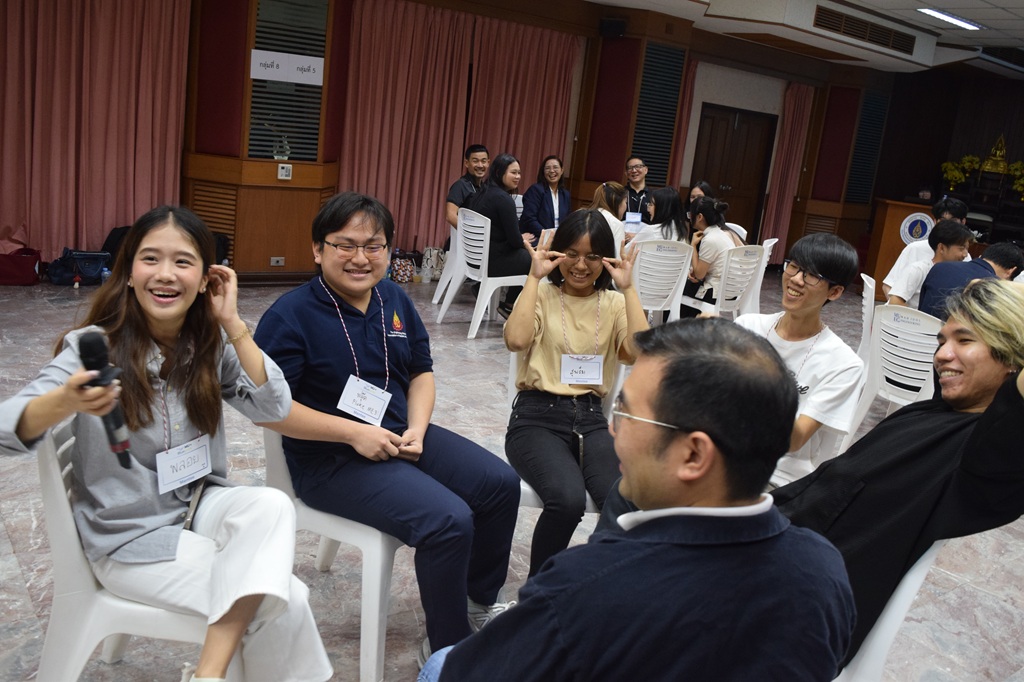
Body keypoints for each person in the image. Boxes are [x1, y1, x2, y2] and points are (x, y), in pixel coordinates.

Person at [419, 319, 855, 682]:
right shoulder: (824, 567)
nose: (612, 430)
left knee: (441, 663)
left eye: (625, 414)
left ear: (694, 454)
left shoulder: (585, 587)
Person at [0, 206, 332, 682]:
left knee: (272, 506)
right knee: (286, 599)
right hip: (131, 538)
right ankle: (210, 676)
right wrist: (63, 401)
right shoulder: (92, 347)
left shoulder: (208, 344)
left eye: (183, 262)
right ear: (128, 273)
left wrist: (233, 323)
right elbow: (5, 428)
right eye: (150, 259)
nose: (165, 274)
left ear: (205, 279)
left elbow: (274, 407)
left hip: (198, 506)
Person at [252, 192, 521, 665]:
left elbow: (421, 370)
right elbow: (269, 411)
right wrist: (352, 433)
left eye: (373, 246)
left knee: (499, 484)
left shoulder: (392, 298)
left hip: (399, 434)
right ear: (318, 249)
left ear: (388, 250)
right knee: (448, 519)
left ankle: (477, 600)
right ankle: (448, 648)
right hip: (330, 461)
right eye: (345, 245)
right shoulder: (289, 316)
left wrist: (418, 426)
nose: (361, 258)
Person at [768, 278, 1024, 665]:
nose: (942, 355)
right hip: (771, 551)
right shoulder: (928, 414)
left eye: (965, 340)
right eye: (942, 341)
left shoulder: (984, 457)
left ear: (1012, 357)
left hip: (792, 610)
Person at [504, 209, 648, 576]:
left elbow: (638, 352)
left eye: (592, 256)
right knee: (567, 501)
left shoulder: (614, 303)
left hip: (591, 418)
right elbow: (516, 340)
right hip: (536, 417)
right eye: (572, 254)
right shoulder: (543, 294)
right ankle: (540, 593)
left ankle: (592, 586)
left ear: (606, 259)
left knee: (625, 498)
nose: (581, 265)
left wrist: (629, 289)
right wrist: (533, 277)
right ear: (559, 253)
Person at [735, 234, 864, 487]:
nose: (795, 279)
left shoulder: (843, 363)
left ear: (835, 292)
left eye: (812, 275)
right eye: (793, 266)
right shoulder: (747, 327)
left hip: (777, 478)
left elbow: (793, 440)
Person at [465, 152, 531, 313]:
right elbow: (515, 241)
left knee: (524, 253)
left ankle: (481, 287)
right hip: (492, 263)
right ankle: (510, 304)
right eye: (513, 172)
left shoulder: (482, 192)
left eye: (519, 173)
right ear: (499, 172)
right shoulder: (503, 199)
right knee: (533, 259)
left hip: (474, 260)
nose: (518, 177)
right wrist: (522, 240)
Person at [882, 196, 969, 297]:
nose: (948, 226)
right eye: (943, 221)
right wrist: (898, 306)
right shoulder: (915, 248)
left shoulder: (964, 256)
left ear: (963, 222)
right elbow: (888, 286)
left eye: (953, 221)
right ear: (935, 222)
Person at [918, 241, 1024, 319]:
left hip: (918, 336)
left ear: (982, 256)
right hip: (955, 340)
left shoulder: (940, 267)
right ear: (1011, 271)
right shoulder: (995, 286)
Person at [887, 218, 973, 308]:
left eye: (967, 249)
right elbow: (895, 302)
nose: (965, 254)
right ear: (941, 248)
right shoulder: (918, 270)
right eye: (961, 249)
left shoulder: (959, 276)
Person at [682, 195, 745, 315]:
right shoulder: (721, 233)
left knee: (678, 288)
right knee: (688, 287)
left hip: (717, 292)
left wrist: (693, 246)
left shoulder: (710, 239)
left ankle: (677, 324)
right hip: (731, 290)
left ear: (699, 217)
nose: (689, 218)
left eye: (690, 214)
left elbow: (699, 275)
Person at [519, 155, 570, 241]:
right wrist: (547, 236)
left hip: (559, 239)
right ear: (543, 172)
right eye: (547, 168)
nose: (552, 171)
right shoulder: (535, 190)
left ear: (562, 170)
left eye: (555, 167)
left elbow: (567, 221)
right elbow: (529, 219)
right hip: (538, 237)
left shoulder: (565, 194)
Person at [445, 144, 489, 229]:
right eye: (475, 161)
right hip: (466, 236)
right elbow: (450, 216)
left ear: (488, 163)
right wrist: (470, 232)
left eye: (483, 161)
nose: (480, 165)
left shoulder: (486, 188)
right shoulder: (460, 186)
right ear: (466, 163)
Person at [586, 181, 627, 255]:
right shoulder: (616, 224)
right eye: (625, 202)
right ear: (618, 203)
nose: (625, 206)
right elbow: (617, 258)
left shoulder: (583, 215)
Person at [624, 156, 652, 224]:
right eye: (630, 168)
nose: (634, 170)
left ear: (646, 170)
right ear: (626, 173)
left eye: (638, 166)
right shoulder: (619, 193)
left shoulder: (654, 195)